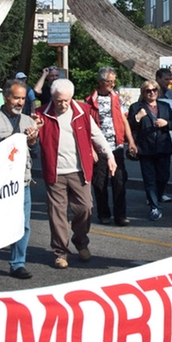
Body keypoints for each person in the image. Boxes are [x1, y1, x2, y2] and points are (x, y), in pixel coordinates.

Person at [37, 78, 116, 269]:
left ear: (71, 97)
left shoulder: (82, 111)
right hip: (55, 172)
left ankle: (80, 240)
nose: (62, 104)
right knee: (57, 214)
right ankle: (60, 252)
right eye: (58, 100)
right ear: (52, 98)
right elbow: (31, 138)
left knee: (85, 208)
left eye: (65, 100)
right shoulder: (41, 114)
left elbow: (97, 136)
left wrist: (109, 156)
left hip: (79, 171)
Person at [0, 80, 39, 279]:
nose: (20, 102)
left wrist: (32, 141)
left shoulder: (29, 121)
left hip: (22, 181)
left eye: (22, 98)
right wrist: (4, 143)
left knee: (23, 224)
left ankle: (17, 263)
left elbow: (36, 154)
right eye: (16, 98)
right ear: (6, 97)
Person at [85, 67, 136, 226]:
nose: (113, 85)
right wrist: (91, 149)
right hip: (99, 147)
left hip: (117, 146)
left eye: (114, 82)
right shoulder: (89, 101)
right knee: (100, 182)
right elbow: (86, 127)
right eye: (109, 82)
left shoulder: (117, 98)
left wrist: (131, 141)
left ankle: (120, 215)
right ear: (101, 82)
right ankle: (103, 213)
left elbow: (124, 120)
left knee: (119, 180)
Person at [128, 80, 172, 220]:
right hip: (146, 148)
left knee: (163, 177)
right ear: (143, 93)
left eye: (154, 90)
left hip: (163, 147)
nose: (152, 93)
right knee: (149, 179)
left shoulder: (165, 106)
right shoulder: (136, 107)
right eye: (148, 91)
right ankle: (155, 207)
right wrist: (138, 117)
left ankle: (158, 195)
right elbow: (130, 125)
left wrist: (166, 123)